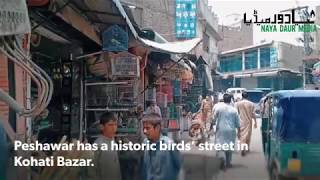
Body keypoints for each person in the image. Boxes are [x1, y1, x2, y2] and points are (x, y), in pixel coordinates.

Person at [141, 113, 182, 180]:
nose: (144, 131)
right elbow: (145, 169)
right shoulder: (146, 143)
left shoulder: (169, 145)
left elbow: (181, 168)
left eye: (148, 128)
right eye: (144, 128)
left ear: (157, 128)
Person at [212, 93, 241, 169]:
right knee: (230, 146)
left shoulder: (219, 108)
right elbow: (238, 122)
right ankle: (228, 162)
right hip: (231, 130)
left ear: (223, 100)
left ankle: (221, 160)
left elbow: (214, 119)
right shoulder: (234, 110)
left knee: (220, 145)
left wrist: (212, 126)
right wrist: (239, 132)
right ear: (230, 100)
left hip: (221, 129)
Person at [90, 112, 122, 180]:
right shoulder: (98, 145)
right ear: (102, 127)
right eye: (110, 125)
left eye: (115, 125)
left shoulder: (112, 141)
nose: (114, 128)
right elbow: (91, 171)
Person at [235, 91, 257, 156]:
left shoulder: (238, 103)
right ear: (248, 96)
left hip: (241, 121)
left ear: (242, 96)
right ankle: (246, 148)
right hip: (249, 122)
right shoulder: (252, 104)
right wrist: (255, 122)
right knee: (248, 135)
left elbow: (236, 113)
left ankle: (242, 147)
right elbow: (253, 114)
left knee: (242, 135)